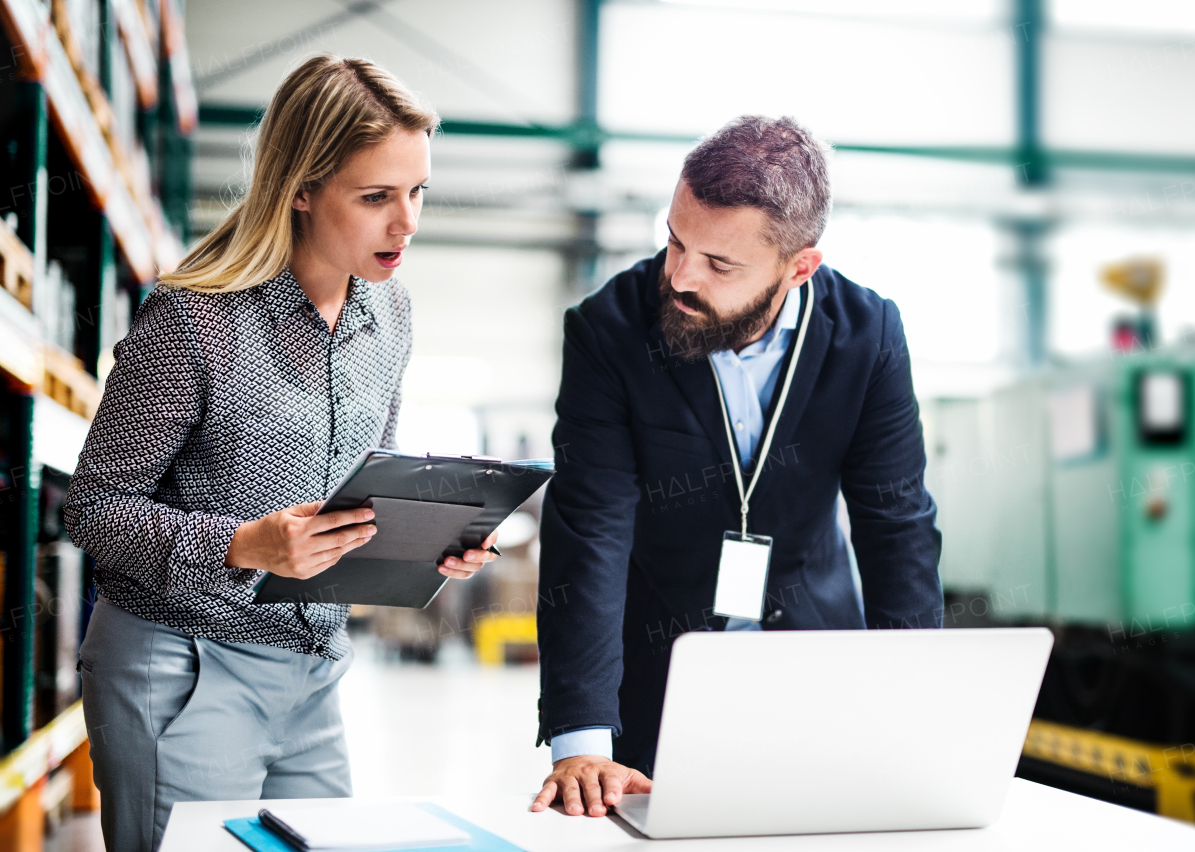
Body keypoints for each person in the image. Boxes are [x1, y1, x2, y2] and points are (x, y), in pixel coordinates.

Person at [64, 55, 496, 852]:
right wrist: (244, 545)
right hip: (182, 668)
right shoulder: (194, 321)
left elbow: (366, 482)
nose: (407, 223)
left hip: (314, 670)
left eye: (417, 191)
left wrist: (429, 541)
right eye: (376, 198)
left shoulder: (389, 314)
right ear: (300, 188)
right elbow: (92, 509)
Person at [531, 116, 944, 817]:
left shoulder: (869, 336)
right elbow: (591, 530)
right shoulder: (610, 330)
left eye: (719, 265)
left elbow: (896, 523)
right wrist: (581, 738)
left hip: (816, 656)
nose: (681, 276)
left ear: (799, 266)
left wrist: (912, 704)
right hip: (659, 666)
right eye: (674, 240)